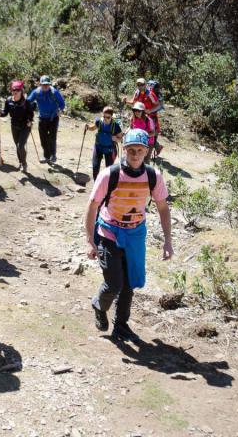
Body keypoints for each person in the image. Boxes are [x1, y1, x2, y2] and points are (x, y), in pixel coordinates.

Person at [84, 129, 173, 342]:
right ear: (124, 150)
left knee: (130, 282)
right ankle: (99, 304)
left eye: (140, 151)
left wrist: (168, 241)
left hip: (135, 234)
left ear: (146, 152)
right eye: (131, 150)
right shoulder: (110, 174)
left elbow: (162, 208)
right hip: (109, 232)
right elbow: (93, 205)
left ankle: (121, 326)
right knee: (114, 283)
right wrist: (90, 240)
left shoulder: (153, 176)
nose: (135, 155)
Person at [27, 75, 65, 163]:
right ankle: (46, 156)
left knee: (52, 137)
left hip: (53, 118)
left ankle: (53, 155)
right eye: (43, 84)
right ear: (40, 84)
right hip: (42, 118)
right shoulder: (36, 92)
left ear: (49, 84)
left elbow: (62, 103)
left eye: (47, 84)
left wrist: (60, 110)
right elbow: (28, 101)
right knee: (43, 138)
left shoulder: (54, 92)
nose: (45, 86)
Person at [0, 80, 34, 172]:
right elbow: (5, 112)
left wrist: (30, 121)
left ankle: (24, 164)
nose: (15, 92)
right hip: (14, 126)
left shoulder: (26, 102)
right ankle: (21, 162)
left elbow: (31, 113)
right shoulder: (9, 101)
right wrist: (0, 113)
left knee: (20, 146)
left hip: (25, 126)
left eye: (17, 90)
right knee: (17, 146)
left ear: (21, 91)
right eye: (13, 90)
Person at [123, 78, 163, 154]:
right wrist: (126, 102)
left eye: (142, 84)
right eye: (138, 85)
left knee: (151, 136)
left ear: (145, 85)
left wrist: (150, 110)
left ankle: (152, 150)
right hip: (140, 117)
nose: (140, 86)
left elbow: (158, 105)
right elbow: (133, 103)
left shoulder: (150, 94)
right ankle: (149, 150)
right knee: (140, 134)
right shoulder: (137, 93)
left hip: (150, 117)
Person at [87, 106, 123, 181]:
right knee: (95, 167)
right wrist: (87, 127)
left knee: (109, 169)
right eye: (104, 116)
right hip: (98, 147)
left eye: (108, 117)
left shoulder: (115, 126)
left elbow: (121, 138)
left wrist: (116, 138)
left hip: (110, 149)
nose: (105, 119)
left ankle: (107, 185)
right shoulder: (99, 122)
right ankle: (96, 184)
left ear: (111, 116)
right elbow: (92, 128)